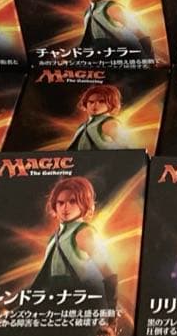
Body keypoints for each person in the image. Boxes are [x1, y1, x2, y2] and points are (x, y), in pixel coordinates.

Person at [25, 177, 117, 311]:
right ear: (55, 206)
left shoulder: (84, 233)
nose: (65, 207)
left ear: (84, 203)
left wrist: (111, 311)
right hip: (54, 303)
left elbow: (108, 274)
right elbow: (44, 278)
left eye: (72, 201)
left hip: (78, 303)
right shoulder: (54, 238)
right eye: (60, 203)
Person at [73, 0, 153, 58]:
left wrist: (150, 59)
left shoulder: (113, 8)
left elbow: (141, 35)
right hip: (103, 57)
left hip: (123, 57)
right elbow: (88, 41)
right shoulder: (88, 12)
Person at [68, 84, 123, 150]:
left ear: (111, 104)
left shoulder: (110, 123)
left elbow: (125, 147)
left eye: (101, 101)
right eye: (91, 102)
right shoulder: (83, 126)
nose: (95, 105)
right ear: (86, 104)